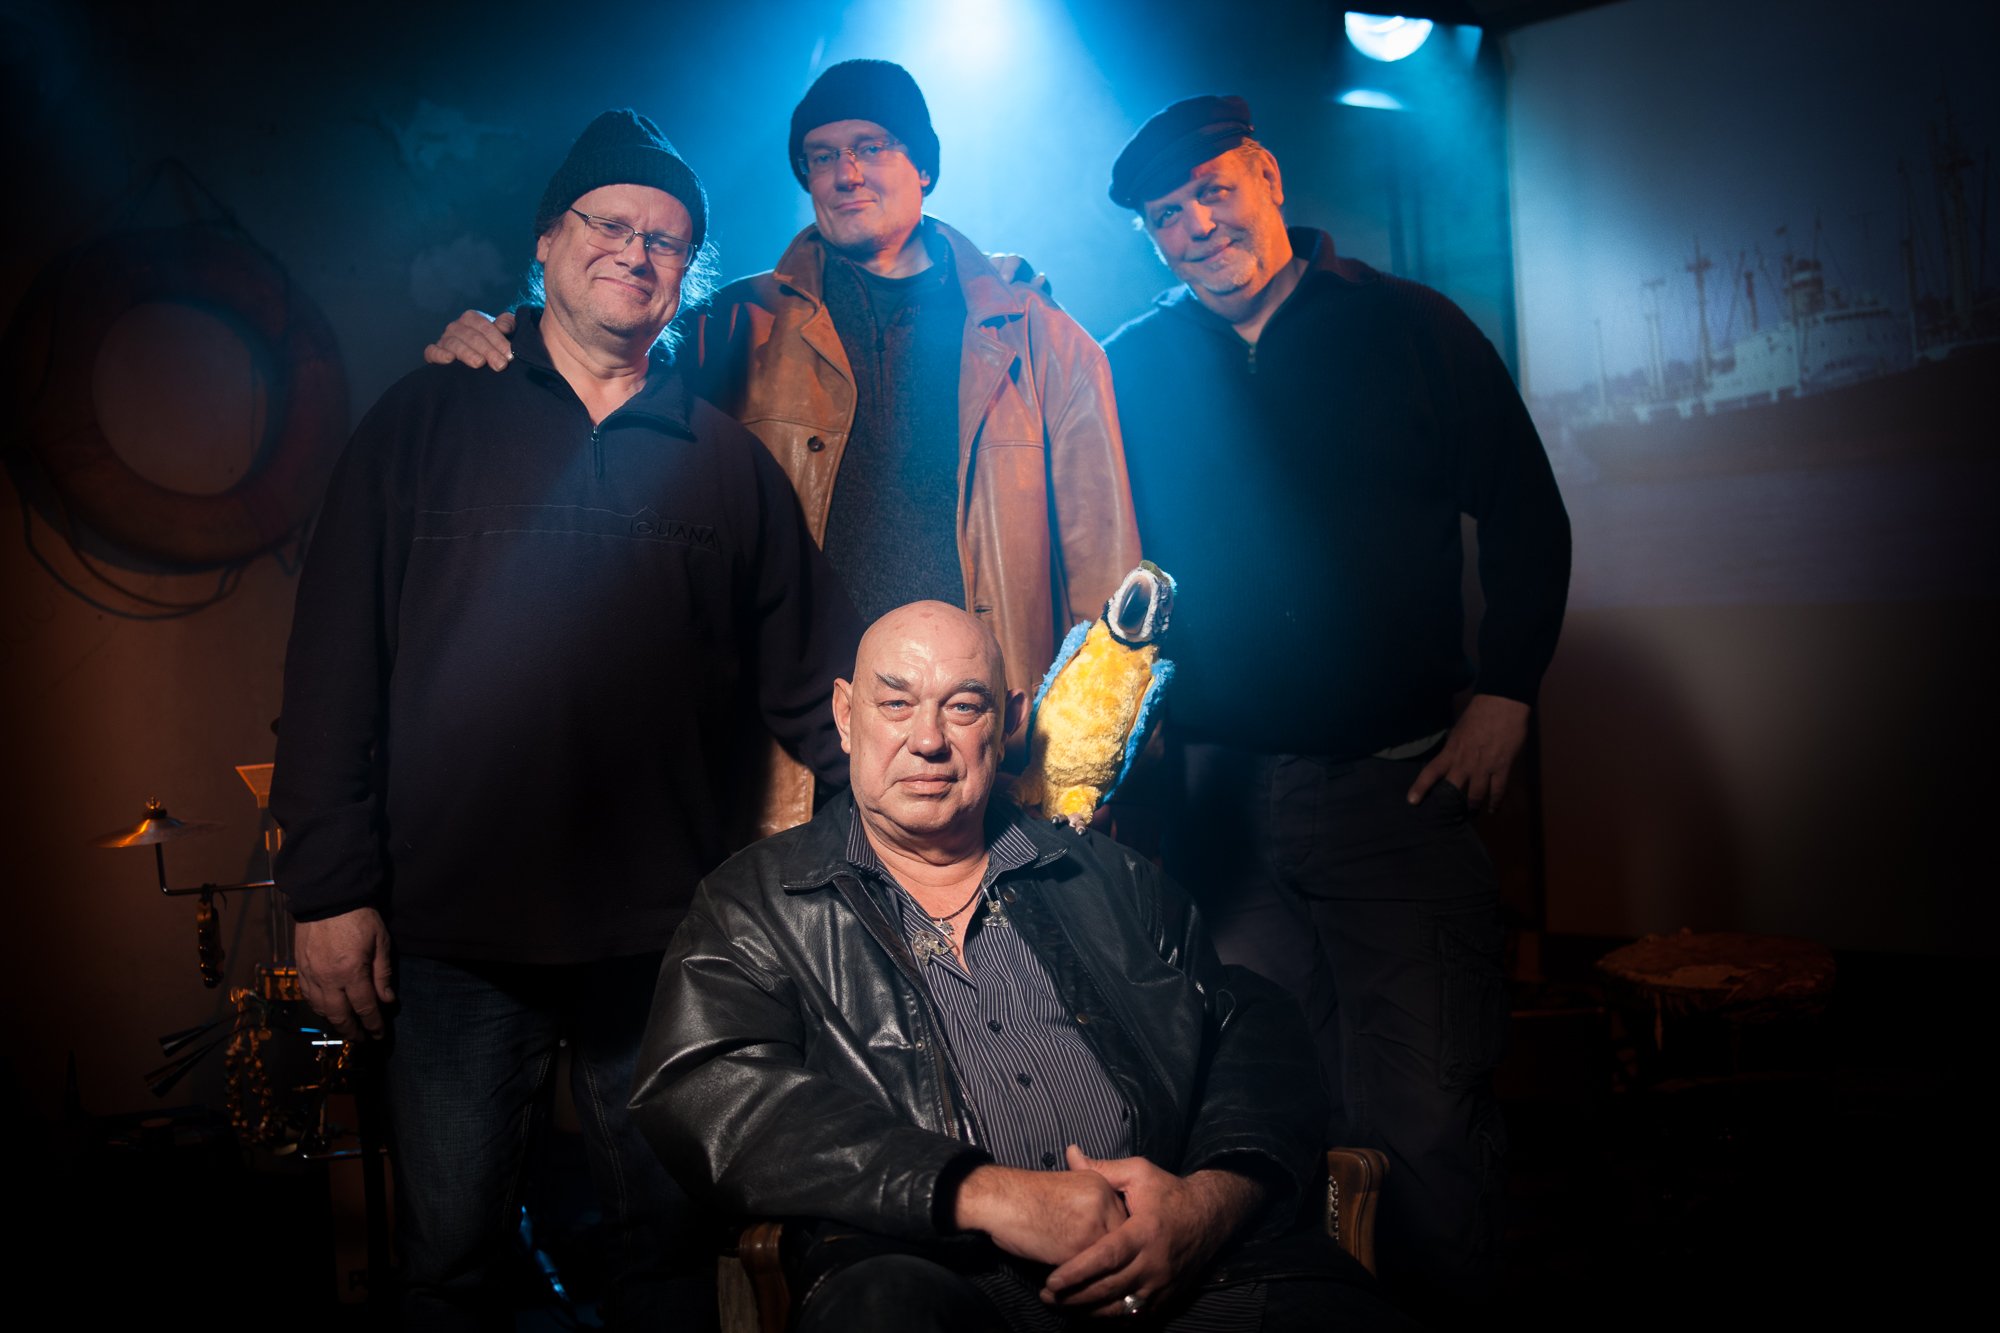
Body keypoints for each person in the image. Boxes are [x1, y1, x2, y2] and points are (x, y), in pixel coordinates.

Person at [270, 109, 858, 1329]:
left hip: (661, 943)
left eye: (666, 239)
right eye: (609, 222)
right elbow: (329, 666)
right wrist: (326, 889)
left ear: (684, 274)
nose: (635, 252)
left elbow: (820, 688)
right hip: (452, 933)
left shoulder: (725, 465)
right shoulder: (423, 422)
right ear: (545, 240)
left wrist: (920, 824)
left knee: (666, 1255)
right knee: (451, 1261)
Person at [1100, 96, 1573, 1312]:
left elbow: (1525, 510)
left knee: (1424, 1112)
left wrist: (1507, 689)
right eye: (1166, 215)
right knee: (1264, 1114)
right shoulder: (1128, 365)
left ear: (1265, 176)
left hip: (1394, 787)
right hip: (1216, 805)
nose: (1196, 225)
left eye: (1212, 191)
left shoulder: (1409, 326)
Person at [630, 602, 1414, 1332]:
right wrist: (980, 1192)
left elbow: (1253, 1032)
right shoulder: (756, 903)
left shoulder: (1111, 877)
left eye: (963, 706)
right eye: (896, 703)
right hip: (930, 1280)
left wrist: (1203, 1206)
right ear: (845, 714)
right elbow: (703, 1089)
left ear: (1008, 720)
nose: (928, 739)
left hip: (1176, 1272)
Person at [427, 60, 1140, 802]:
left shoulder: (1044, 342)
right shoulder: (732, 325)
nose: (846, 173)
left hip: (989, 750)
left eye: (871, 146)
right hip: (794, 763)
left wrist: (1076, 779)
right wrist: (508, 339)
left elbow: (1110, 596)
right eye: (822, 156)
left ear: (925, 165)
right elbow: (601, 368)